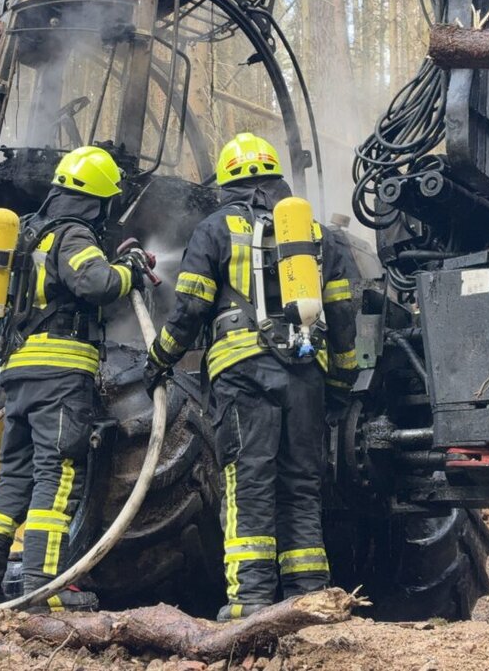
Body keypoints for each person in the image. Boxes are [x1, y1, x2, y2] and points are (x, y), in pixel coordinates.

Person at [143, 132, 358, 621]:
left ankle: (252, 602)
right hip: (306, 374)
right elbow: (344, 314)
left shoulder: (215, 229)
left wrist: (160, 357)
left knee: (249, 481)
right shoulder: (317, 234)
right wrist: (340, 381)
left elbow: (191, 306)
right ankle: (310, 597)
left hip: (243, 377)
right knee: (302, 484)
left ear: (227, 182)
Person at [0, 145, 147, 611]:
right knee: (57, 477)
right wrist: (130, 272)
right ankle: (42, 589)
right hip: (60, 375)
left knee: (12, 480)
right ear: (97, 198)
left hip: (19, 371)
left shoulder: (28, 233)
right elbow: (96, 284)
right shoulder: (74, 233)